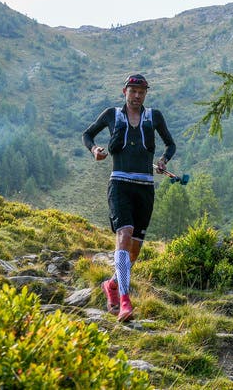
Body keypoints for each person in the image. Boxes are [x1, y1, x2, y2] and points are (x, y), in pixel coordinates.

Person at [82, 73, 176, 321]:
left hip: (145, 187)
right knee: (123, 235)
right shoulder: (112, 114)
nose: (137, 96)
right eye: (132, 91)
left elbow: (171, 145)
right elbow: (87, 134)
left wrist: (163, 161)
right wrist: (95, 150)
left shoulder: (153, 116)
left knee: (134, 252)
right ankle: (125, 301)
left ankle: (111, 285)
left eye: (141, 92)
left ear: (146, 94)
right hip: (119, 183)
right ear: (124, 92)